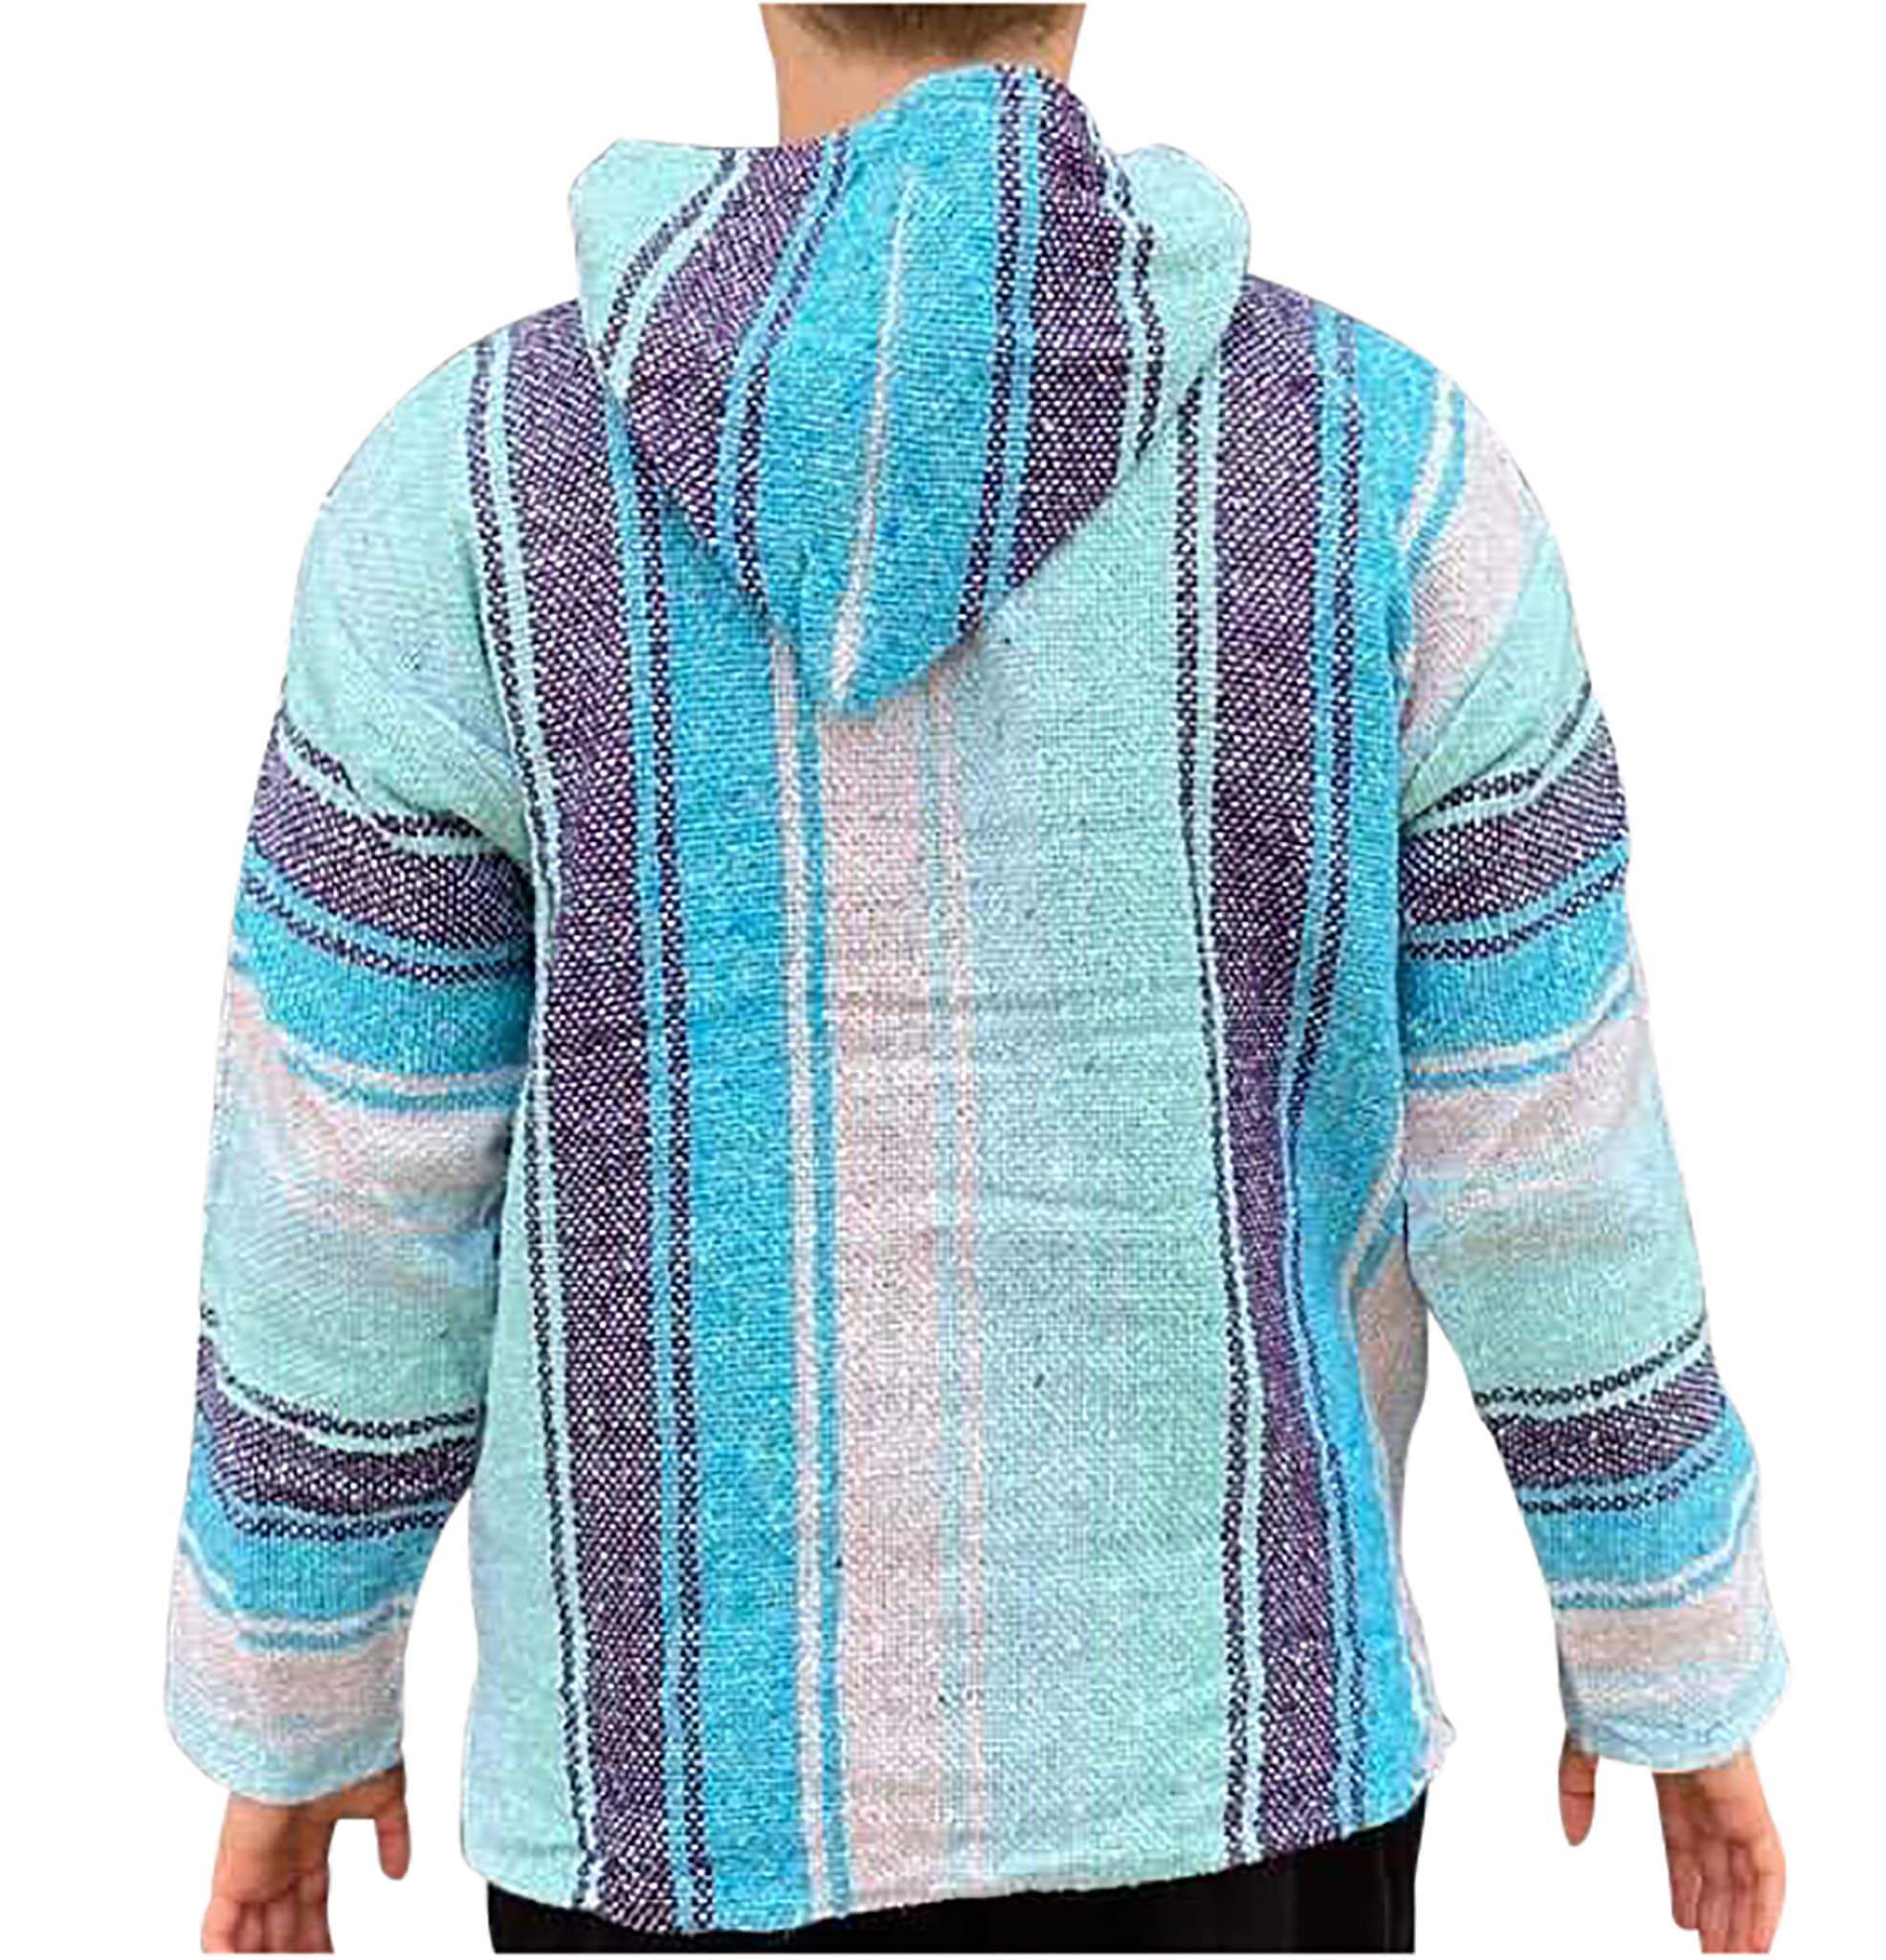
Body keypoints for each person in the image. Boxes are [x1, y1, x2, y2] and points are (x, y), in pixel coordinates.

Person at [165, 4, 1790, 1951]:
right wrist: (1669, 1643)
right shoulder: (1389, 472)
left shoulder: (465, 500)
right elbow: (1548, 1158)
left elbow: (345, 1194)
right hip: (1236, 1776)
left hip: (668, 1811)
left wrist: (296, 1703)